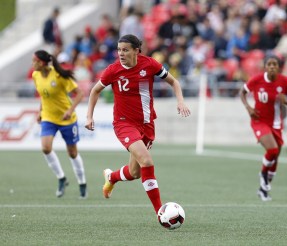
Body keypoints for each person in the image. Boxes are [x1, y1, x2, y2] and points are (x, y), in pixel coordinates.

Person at [85, 34, 191, 215]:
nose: (121, 53)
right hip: (124, 124)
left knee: (135, 172)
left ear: (136, 51)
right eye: (119, 50)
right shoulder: (113, 70)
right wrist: (89, 116)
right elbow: (95, 91)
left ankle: (112, 177)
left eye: (125, 50)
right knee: (147, 161)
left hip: (147, 124)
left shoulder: (149, 65)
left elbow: (174, 82)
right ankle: (160, 212)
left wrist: (180, 101)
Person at [31, 50, 87, 198]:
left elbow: (80, 94)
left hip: (66, 119)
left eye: (34, 61)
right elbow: (44, 96)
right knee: (45, 147)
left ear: (42, 63)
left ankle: (82, 182)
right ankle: (62, 178)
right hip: (48, 117)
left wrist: (70, 110)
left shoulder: (59, 75)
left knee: (72, 153)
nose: (33, 64)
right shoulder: (35, 75)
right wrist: (39, 112)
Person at [239, 55, 287, 201]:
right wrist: (248, 107)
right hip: (259, 121)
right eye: (269, 64)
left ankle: (263, 189)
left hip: (276, 123)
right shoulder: (257, 79)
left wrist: (286, 101)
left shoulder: (285, 81)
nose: (272, 66)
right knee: (273, 150)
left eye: (275, 64)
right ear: (265, 66)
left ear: (279, 67)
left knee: (275, 157)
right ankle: (263, 174)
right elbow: (242, 92)